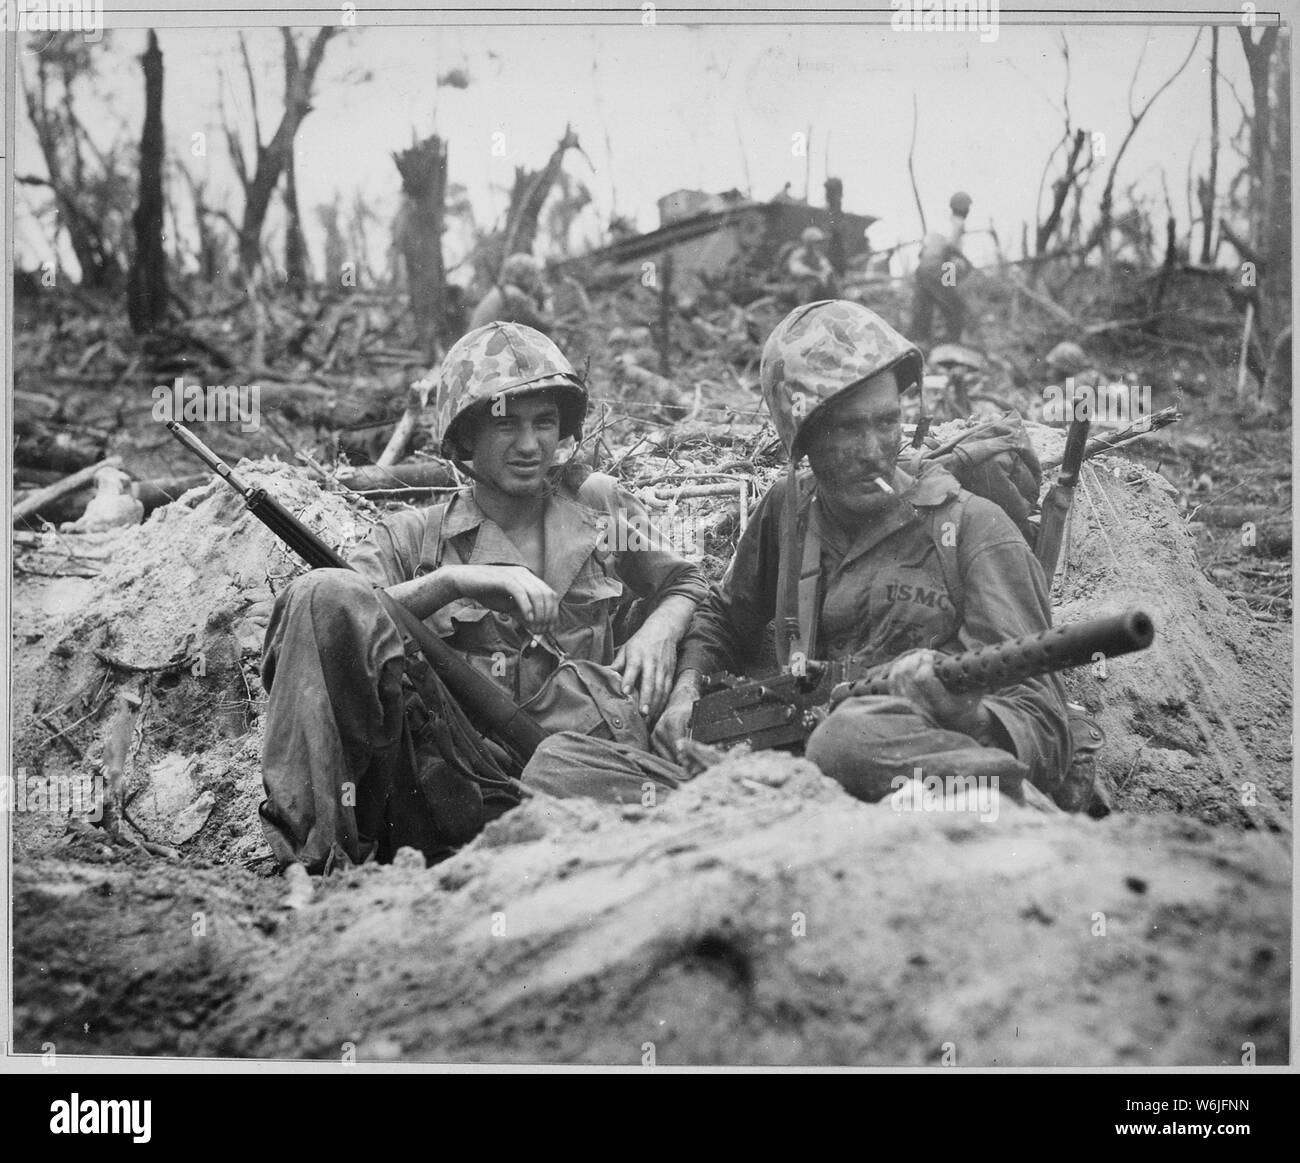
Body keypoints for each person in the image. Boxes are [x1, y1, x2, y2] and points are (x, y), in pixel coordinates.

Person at [259, 322, 707, 873]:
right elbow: (328, 617)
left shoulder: (598, 506)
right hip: (449, 788)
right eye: (506, 425)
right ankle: (312, 866)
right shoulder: (411, 537)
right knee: (320, 590)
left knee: (575, 773)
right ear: (465, 437)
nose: (529, 445)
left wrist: (659, 628)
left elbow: (689, 585)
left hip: (581, 771)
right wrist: (454, 582)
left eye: (545, 423)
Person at [652, 300, 1072, 807]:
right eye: (848, 428)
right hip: (793, 763)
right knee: (570, 759)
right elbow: (724, 614)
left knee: (846, 742)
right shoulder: (790, 508)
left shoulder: (974, 529)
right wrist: (685, 692)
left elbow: (1046, 724)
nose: (874, 448)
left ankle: (1002, 806)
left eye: (887, 421)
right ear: (802, 436)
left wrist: (971, 717)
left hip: (917, 773)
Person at [911, 191, 974, 345]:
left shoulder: (940, 225)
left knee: (924, 307)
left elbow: (922, 252)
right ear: (964, 209)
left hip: (923, 267)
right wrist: (968, 263)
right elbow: (950, 246)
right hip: (941, 265)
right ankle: (953, 343)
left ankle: (920, 342)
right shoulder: (958, 223)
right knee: (955, 306)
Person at [468, 253, 555, 334]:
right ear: (525, 275)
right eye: (534, 275)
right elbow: (541, 326)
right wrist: (547, 302)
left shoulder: (502, 291)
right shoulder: (514, 295)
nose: (536, 280)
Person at [784, 226, 839, 301]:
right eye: (815, 242)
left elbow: (827, 267)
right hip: (796, 287)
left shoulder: (818, 256)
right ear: (807, 243)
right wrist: (815, 275)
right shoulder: (798, 254)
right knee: (809, 283)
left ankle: (836, 303)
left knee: (830, 280)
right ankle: (805, 308)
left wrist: (825, 274)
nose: (818, 245)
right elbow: (797, 269)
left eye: (819, 242)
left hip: (817, 286)